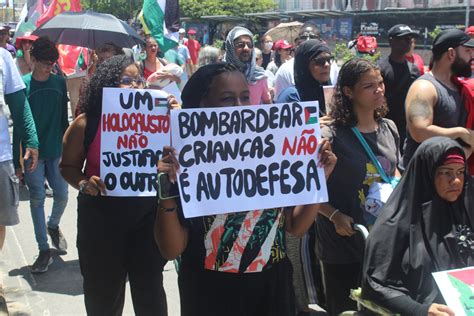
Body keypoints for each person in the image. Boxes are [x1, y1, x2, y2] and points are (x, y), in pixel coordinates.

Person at [154, 62, 337, 316]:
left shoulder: (270, 151)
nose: (240, 107)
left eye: (245, 97)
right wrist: (165, 190)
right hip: (211, 293)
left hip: (272, 287)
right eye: (227, 99)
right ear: (201, 106)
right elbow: (171, 249)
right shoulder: (184, 163)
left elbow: (295, 227)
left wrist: (318, 179)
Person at [60, 55, 168, 315]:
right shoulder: (86, 123)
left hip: (146, 220)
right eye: (125, 81)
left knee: (150, 293)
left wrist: (173, 114)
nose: (134, 87)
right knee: (103, 297)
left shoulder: (159, 121)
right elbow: (68, 167)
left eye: (138, 81)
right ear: (106, 85)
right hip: (100, 223)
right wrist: (84, 182)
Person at [316, 58, 401, 315]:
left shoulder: (390, 128)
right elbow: (308, 190)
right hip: (343, 244)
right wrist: (334, 215)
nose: (379, 90)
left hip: (382, 245)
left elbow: (394, 173)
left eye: (380, 83)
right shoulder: (332, 134)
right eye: (368, 86)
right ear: (348, 91)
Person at [362, 137, 473, 315]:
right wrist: (421, 310)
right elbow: (375, 284)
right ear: (427, 173)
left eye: (460, 172)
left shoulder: (467, 210)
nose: (456, 181)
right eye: (446, 172)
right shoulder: (395, 223)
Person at [22, 36, 69, 273]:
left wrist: (67, 149)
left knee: (62, 194)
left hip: (56, 150)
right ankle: (43, 249)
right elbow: (20, 125)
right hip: (32, 154)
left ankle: (53, 225)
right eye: (44, 62)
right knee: (37, 198)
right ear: (33, 59)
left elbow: (64, 119)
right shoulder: (23, 85)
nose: (48, 66)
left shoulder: (59, 83)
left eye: (52, 62)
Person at [403, 28, 474, 171]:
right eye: (467, 51)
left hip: (449, 179)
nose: (472, 56)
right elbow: (419, 131)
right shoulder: (424, 87)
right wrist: (461, 133)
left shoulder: (459, 88)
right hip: (421, 180)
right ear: (451, 53)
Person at [0, 42, 38, 261]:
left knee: (0, 221)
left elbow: (19, 104)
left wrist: (31, 141)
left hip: (1, 157)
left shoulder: (3, 57)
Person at [378, 24, 420, 154]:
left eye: (410, 38)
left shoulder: (414, 69)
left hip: (407, 129)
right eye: (404, 38)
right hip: (384, 127)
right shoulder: (380, 68)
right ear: (391, 40)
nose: (408, 41)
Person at [277, 39, 332, 120]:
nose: (326, 65)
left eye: (329, 60)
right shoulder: (291, 96)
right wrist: (314, 125)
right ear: (305, 65)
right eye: (320, 61)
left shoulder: (330, 94)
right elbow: (283, 129)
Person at [224, 26, 271, 105]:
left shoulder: (259, 76)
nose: (246, 48)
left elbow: (268, 105)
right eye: (240, 45)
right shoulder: (220, 75)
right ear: (230, 47)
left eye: (249, 45)